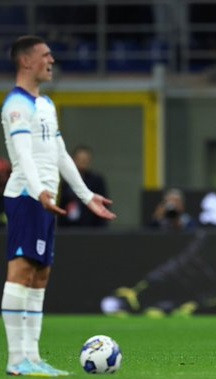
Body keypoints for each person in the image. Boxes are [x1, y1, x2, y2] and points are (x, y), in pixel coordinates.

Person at [1, 35, 116, 376]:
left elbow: (60, 155)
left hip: (44, 199)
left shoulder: (47, 105)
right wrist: (39, 191)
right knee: (20, 271)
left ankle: (32, 358)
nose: (52, 60)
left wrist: (85, 195)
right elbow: (21, 156)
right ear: (26, 61)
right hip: (26, 197)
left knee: (40, 275)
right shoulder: (15, 105)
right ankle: (15, 358)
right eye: (45, 55)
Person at [58, 145, 109, 227]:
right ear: (73, 160)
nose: (82, 162)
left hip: (91, 228)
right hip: (69, 228)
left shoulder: (96, 181)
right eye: (80, 159)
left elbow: (103, 204)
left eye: (85, 160)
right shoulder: (66, 182)